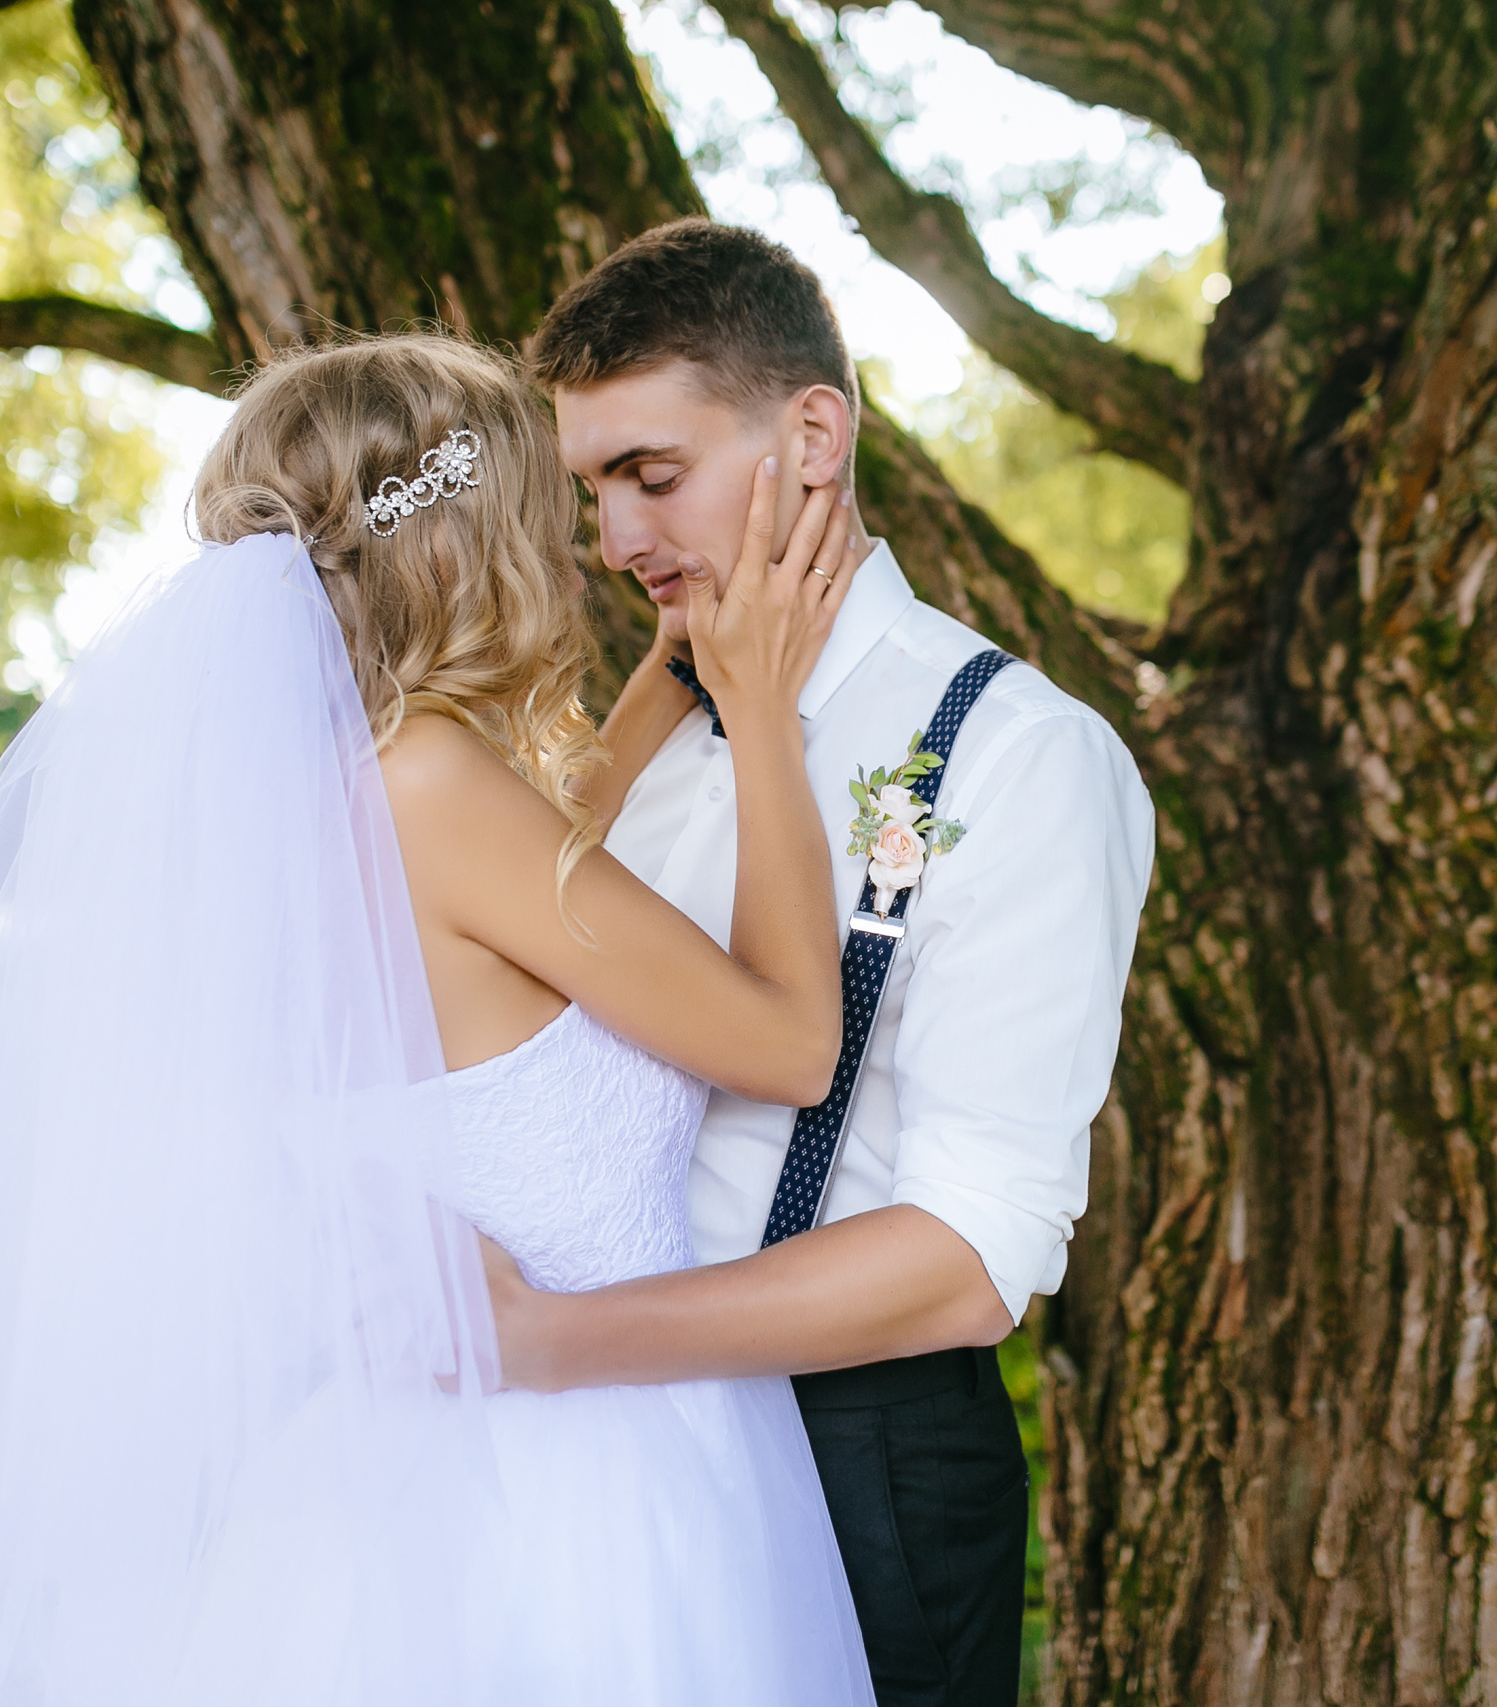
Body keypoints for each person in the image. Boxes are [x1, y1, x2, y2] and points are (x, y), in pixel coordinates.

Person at [0, 333, 883, 1705]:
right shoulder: (430, 788)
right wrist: (762, 709)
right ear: (465, 549)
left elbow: (531, 922)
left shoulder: (276, 812)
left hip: (366, 1498)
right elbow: (789, 1046)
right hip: (578, 1491)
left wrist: (671, 675)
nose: (582, 548)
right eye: (548, 512)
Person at [488, 218, 1156, 1707]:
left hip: (854, 1467)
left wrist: (552, 1343)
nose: (616, 541)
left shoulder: (1018, 754)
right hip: (595, 1462)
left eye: (652, 477)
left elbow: (975, 1253)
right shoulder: (646, 739)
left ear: (812, 436)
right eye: (594, 491)